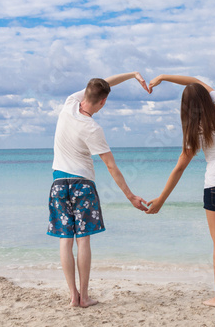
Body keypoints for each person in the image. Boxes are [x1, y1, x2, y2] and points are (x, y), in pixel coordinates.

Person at [145, 74, 215, 308]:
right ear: (206, 96)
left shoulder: (196, 130)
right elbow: (194, 80)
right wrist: (164, 77)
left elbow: (179, 168)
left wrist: (161, 200)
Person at [47, 72, 149, 308]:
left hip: (59, 185)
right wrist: (131, 196)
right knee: (83, 240)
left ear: (86, 93)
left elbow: (102, 84)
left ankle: (73, 296)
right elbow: (112, 166)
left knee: (65, 240)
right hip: (82, 186)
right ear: (103, 102)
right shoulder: (93, 129)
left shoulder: (69, 104)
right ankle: (84, 296)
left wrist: (132, 75)